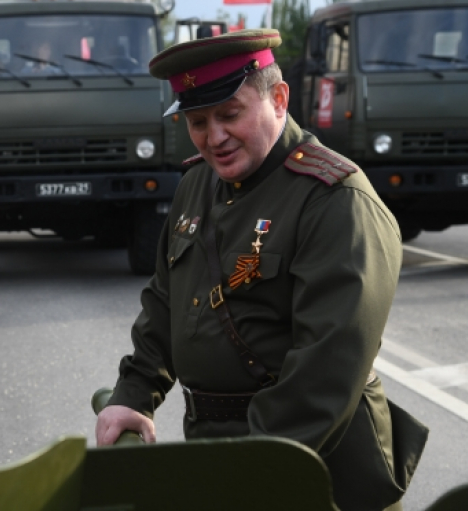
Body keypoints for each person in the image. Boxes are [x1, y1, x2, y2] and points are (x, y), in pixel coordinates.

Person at [95, 29, 428, 511]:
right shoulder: (197, 185)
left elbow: (327, 369)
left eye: (230, 115)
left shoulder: (335, 200)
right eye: (197, 121)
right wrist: (133, 391)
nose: (214, 138)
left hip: (309, 464)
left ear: (278, 98)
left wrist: (253, 469)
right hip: (218, 447)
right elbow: (167, 301)